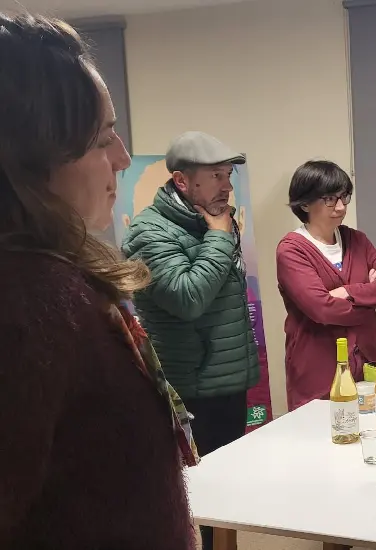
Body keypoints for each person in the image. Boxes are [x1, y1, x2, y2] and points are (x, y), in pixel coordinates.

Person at [0, 12, 197, 548]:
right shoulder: (26, 305)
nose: (124, 159)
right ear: (31, 157)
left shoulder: (59, 282)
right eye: (102, 137)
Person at [121, 131, 258, 550]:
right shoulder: (149, 232)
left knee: (227, 500)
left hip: (226, 383)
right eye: (216, 175)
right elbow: (187, 298)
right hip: (191, 392)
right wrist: (219, 237)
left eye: (229, 175)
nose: (227, 185)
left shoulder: (211, 221)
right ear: (182, 182)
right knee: (196, 504)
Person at [277, 160, 376, 410]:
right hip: (319, 369)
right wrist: (369, 299)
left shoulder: (357, 240)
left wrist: (347, 292)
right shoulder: (291, 250)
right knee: (322, 440)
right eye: (330, 199)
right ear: (305, 203)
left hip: (365, 365)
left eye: (344, 196)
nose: (341, 206)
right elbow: (322, 309)